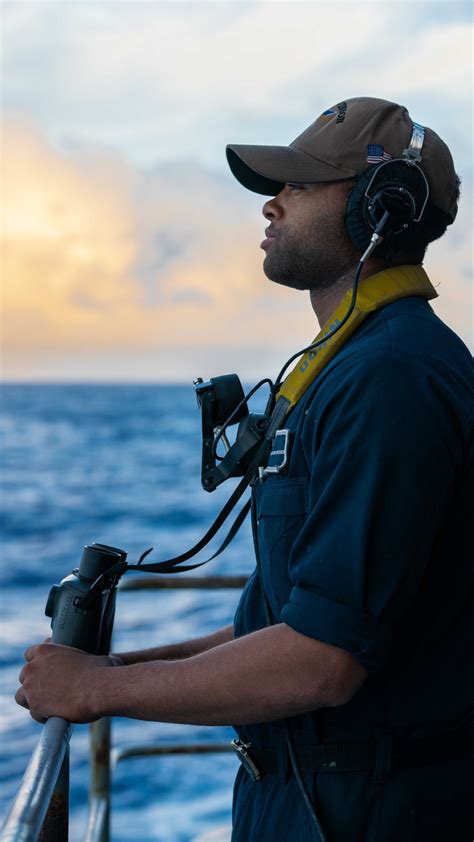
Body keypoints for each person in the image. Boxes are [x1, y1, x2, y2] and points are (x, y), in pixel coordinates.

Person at [16, 97, 473, 841]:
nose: (272, 203)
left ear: (379, 208)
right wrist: (118, 669)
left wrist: (102, 691)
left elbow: (321, 660)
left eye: (298, 184)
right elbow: (287, 622)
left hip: (369, 814)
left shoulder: (391, 380)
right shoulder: (349, 370)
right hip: (309, 799)